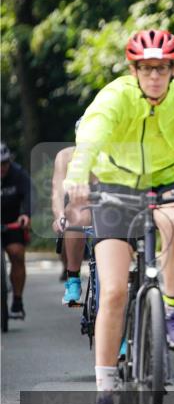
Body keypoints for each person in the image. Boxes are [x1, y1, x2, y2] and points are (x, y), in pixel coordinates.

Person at [64, 29, 174, 394]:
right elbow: (92, 135)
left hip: (167, 182)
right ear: (134, 71)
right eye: (146, 69)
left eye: (162, 68)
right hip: (115, 184)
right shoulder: (116, 96)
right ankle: (106, 388)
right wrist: (78, 177)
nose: (155, 77)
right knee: (112, 291)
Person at [51, 122, 94, 305]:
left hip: (108, 207)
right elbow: (57, 191)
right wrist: (59, 215)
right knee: (74, 213)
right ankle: (73, 277)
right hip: (80, 207)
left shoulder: (112, 154)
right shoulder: (66, 156)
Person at [1, 142, 32, 319]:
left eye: (4, 163)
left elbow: (29, 194)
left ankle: (17, 300)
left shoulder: (18, 174)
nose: (2, 168)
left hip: (13, 222)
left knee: (17, 254)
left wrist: (25, 214)